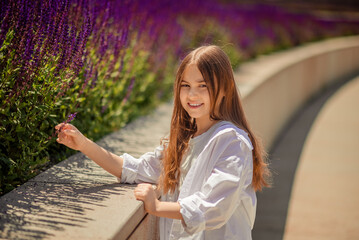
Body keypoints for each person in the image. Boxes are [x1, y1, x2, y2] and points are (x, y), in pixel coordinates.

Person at [55, 45, 271, 239]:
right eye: (185, 85)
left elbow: (215, 207)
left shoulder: (231, 142)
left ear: (225, 89)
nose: (192, 94)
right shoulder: (183, 143)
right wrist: (83, 144)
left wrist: (157, 206)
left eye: (203, 86)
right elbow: (132, 169)